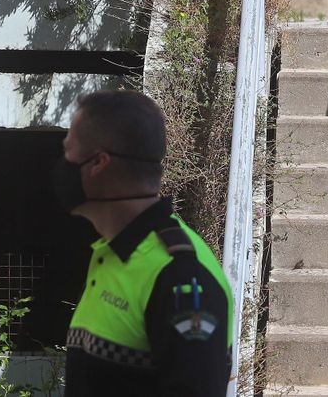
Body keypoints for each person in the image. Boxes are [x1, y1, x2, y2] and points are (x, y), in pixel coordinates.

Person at [57, 89, 232, 395]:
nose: (61, 165)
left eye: (68, 152)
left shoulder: (181, 277)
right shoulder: (113, 253)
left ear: (98, 164)